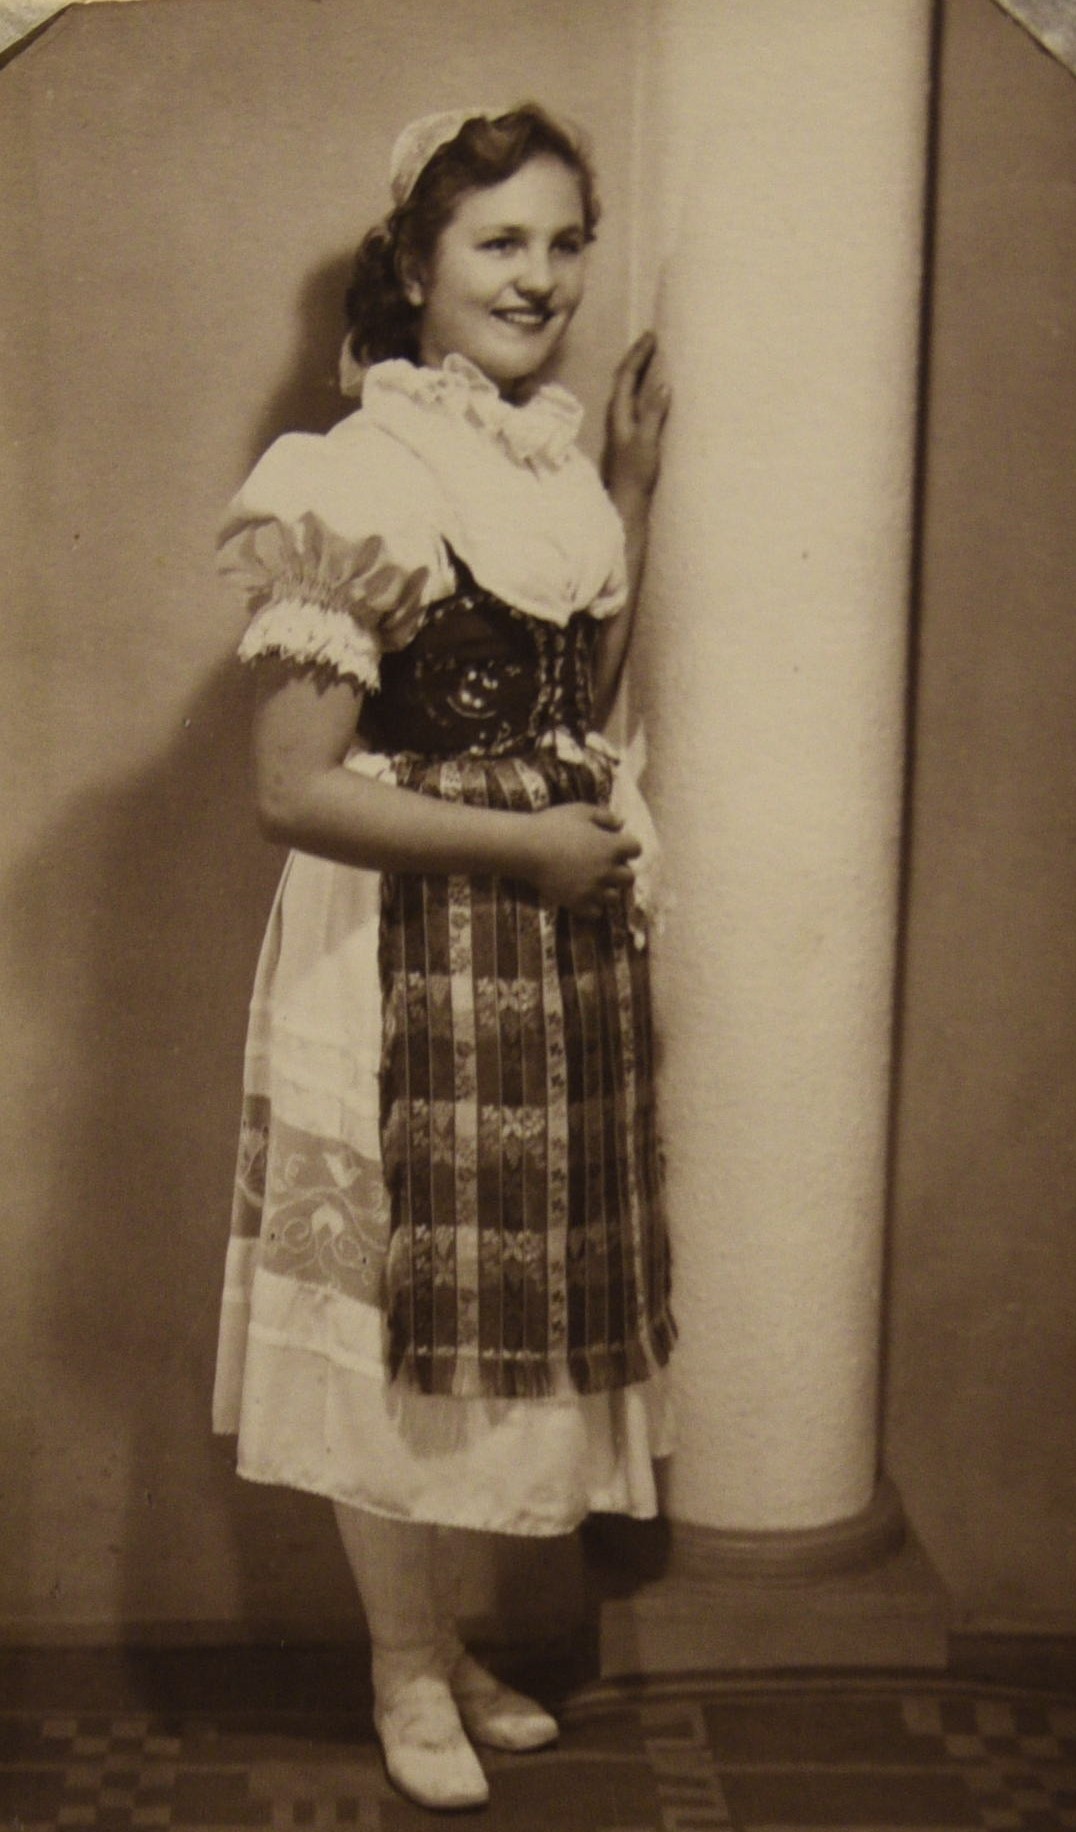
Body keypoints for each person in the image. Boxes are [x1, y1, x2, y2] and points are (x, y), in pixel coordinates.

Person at [212, 102, 674, 1811]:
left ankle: (449, 1644)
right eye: (499, 242)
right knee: (391, 1320)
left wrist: (632, 488)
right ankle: (402, 1664)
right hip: (394, 955)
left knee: (483, 1322)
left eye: (564, 242)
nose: (540, 278)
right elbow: (292, 791)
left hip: (533, 956)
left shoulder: (543, 470)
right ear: (416, 267)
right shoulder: (357, 475)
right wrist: (530, 852)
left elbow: (566, 709)